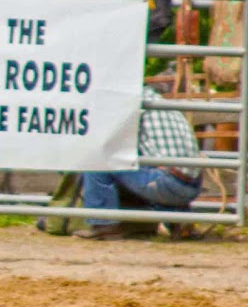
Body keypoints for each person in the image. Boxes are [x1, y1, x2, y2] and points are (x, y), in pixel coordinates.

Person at [77, 86, 201, 240]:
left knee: (97, 160)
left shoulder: (131, 102)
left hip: (167, 182)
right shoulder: (158, 101)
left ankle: (102, 223)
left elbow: (109, 141)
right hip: (191, 184)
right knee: (140, 166)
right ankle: (179, 219)